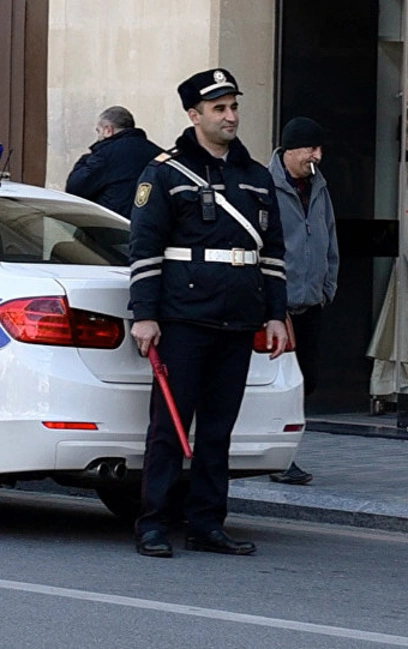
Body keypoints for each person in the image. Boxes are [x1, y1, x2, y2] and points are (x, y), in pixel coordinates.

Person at [128, 69, 289, 557]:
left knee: (219, 429)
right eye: (219, 109)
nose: (230, 116)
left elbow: (274, 253)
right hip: (183, 318)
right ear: (194, 115)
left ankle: (207, 522)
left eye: (234, 106)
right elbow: (145, 247)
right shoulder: (165, 173)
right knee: (169, 428)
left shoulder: (257, 177)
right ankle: (154, 523)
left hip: (238, 319)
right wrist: (144, 314)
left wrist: (277, 314)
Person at [267, 117, 338, 486]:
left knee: (306, 381)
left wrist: (328, 285)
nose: (317, 156)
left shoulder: (319, 187)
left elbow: (328, 236)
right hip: (279, 305)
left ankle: (283, 453)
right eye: (312, 149)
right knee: (283, 385)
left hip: (310, 303)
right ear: (291, 149)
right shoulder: (266, 185)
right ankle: (280, 457)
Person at [65, 106, 163, 217]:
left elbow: (75, 188)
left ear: (108, 130)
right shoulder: (157, 153)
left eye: (99, 131)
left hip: (114, 226)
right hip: (151, 225)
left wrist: (87, 157)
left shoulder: (104, 156)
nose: (98, 136)